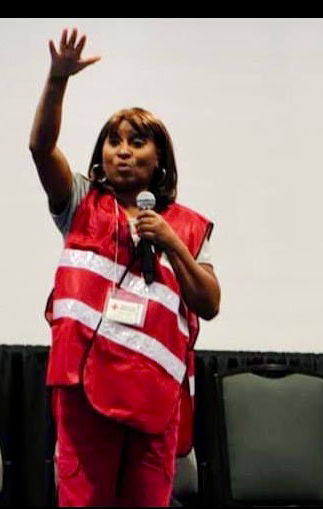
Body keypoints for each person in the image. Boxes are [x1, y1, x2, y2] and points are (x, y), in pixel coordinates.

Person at [29, 28, 220, 506]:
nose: (123, 151)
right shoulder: (80, 204)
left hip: (154, 398)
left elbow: (210, 303)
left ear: (159, 161)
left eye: (137, 142)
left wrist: (171, 241)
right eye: (113, 142)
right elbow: (40, 148)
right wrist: (57, 80)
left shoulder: (186, 228)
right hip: (83, 391)